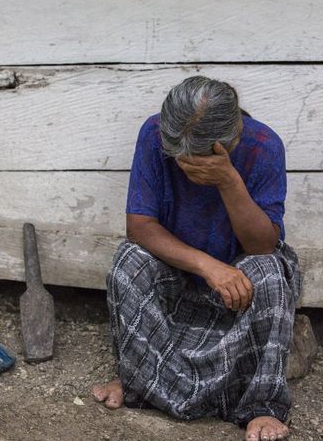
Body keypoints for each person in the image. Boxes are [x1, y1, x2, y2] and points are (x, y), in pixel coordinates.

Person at [92, 76, 301, 440]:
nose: (186, 163)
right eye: (180, 155)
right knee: (129, 261)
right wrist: (207, 266)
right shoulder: (153, 133)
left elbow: (263, 245)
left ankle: (261, 407)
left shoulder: (264, 145)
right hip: (180, 272)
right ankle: (140, 383)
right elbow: (139, 226)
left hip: (239, 281)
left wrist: (228, 181)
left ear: (231, 138)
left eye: (197, 157)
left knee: (270, 270)